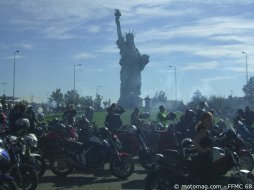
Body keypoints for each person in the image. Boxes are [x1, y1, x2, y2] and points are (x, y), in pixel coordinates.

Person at [193, 111, 213, 185]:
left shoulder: (205, 129)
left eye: (211, 119)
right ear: (203, 120)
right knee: (205, 181)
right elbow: (195, 142)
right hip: (204, 159)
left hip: (205, 158)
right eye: (208, 119)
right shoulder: (203, 130)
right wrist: (203, 150)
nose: (210, 121)